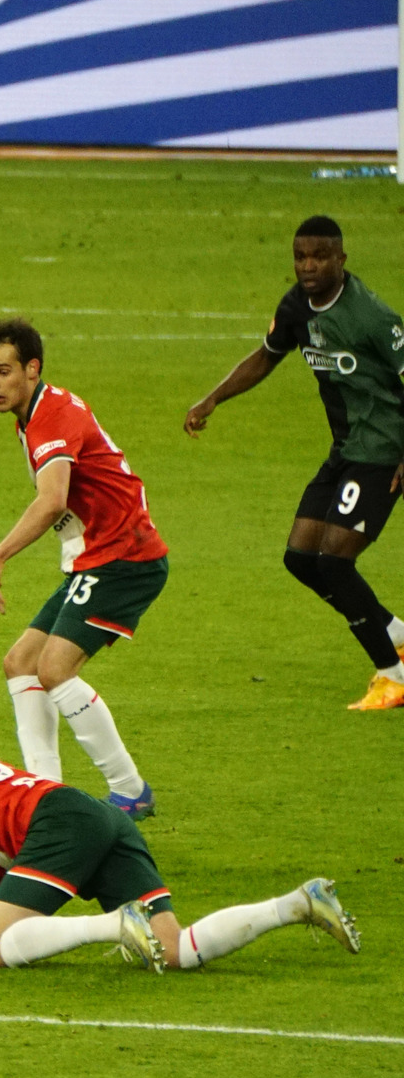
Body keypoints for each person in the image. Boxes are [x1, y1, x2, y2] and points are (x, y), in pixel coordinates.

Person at [0, 690, 360, 971]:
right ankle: (297, 905)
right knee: (175, 951)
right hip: (94, 813)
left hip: (59, 825)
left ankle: (115, 924)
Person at [184, 218, 404, 710]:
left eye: (320, 256)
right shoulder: (296, 307)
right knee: (301, 559)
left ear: (341, 260)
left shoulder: (370, 318)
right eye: (301, 256)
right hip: (346, 449)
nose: (308, 266)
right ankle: (395, 631)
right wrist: (213, 399)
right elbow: (267, 356)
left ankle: (394, 676)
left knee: (335, 562)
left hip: (383, 452)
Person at [0, 317, 165, 821]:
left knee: (55, 669)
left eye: (3, 371)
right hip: (97, 556)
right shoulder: (35, 412)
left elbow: (51, 499)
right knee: (21, 663)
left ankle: (129, 790)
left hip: (125, 557)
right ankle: (44, 793)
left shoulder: (52, 418)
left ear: (32, 369)